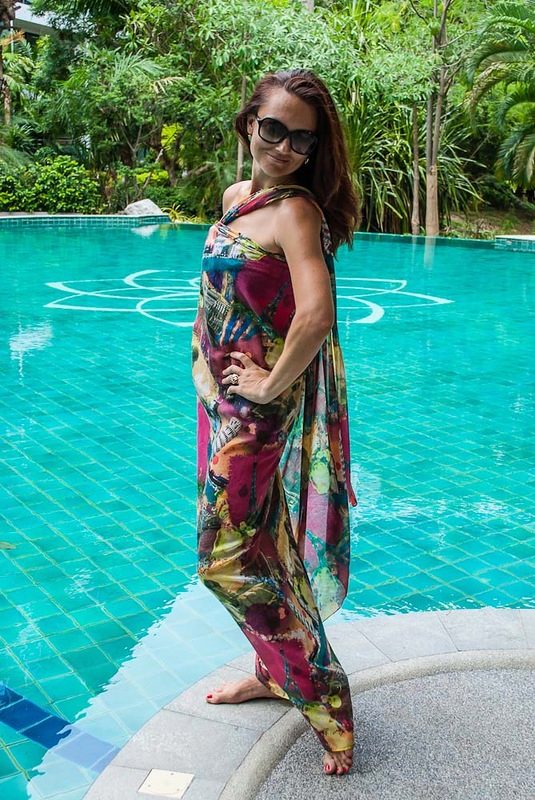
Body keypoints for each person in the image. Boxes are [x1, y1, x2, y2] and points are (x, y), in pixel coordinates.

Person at [191, 68, 359, 776]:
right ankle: (271, 674)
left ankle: (326, 696)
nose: (286, 147)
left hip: (255, 416)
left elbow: (315, 315)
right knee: (266, 548)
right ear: (248, 123)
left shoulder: (296, 212)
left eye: (302, 138)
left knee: (225, 563)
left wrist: (267, 385)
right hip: (220, 404)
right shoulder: (238, 199)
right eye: (273, 129)